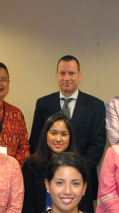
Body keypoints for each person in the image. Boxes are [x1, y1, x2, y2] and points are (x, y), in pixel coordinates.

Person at [28, 55, 106, 197]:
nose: (67, 78)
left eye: (71, 73)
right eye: (62, 73)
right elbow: (35, 141)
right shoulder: (43, 104)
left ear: (79, 75)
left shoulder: (96, 105)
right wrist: (52, 169)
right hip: (47, 176)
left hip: (82, 177)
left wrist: (77, 168)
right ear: (56, 75)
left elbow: (98, 144)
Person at [20, 113, 93, 213]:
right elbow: (27, 205)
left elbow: (87, 206)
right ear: (46, 135)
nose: (58, 139)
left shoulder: (81, 166)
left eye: (64, 134)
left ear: (70, 137)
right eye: (53, 133)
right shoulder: (31, 165)